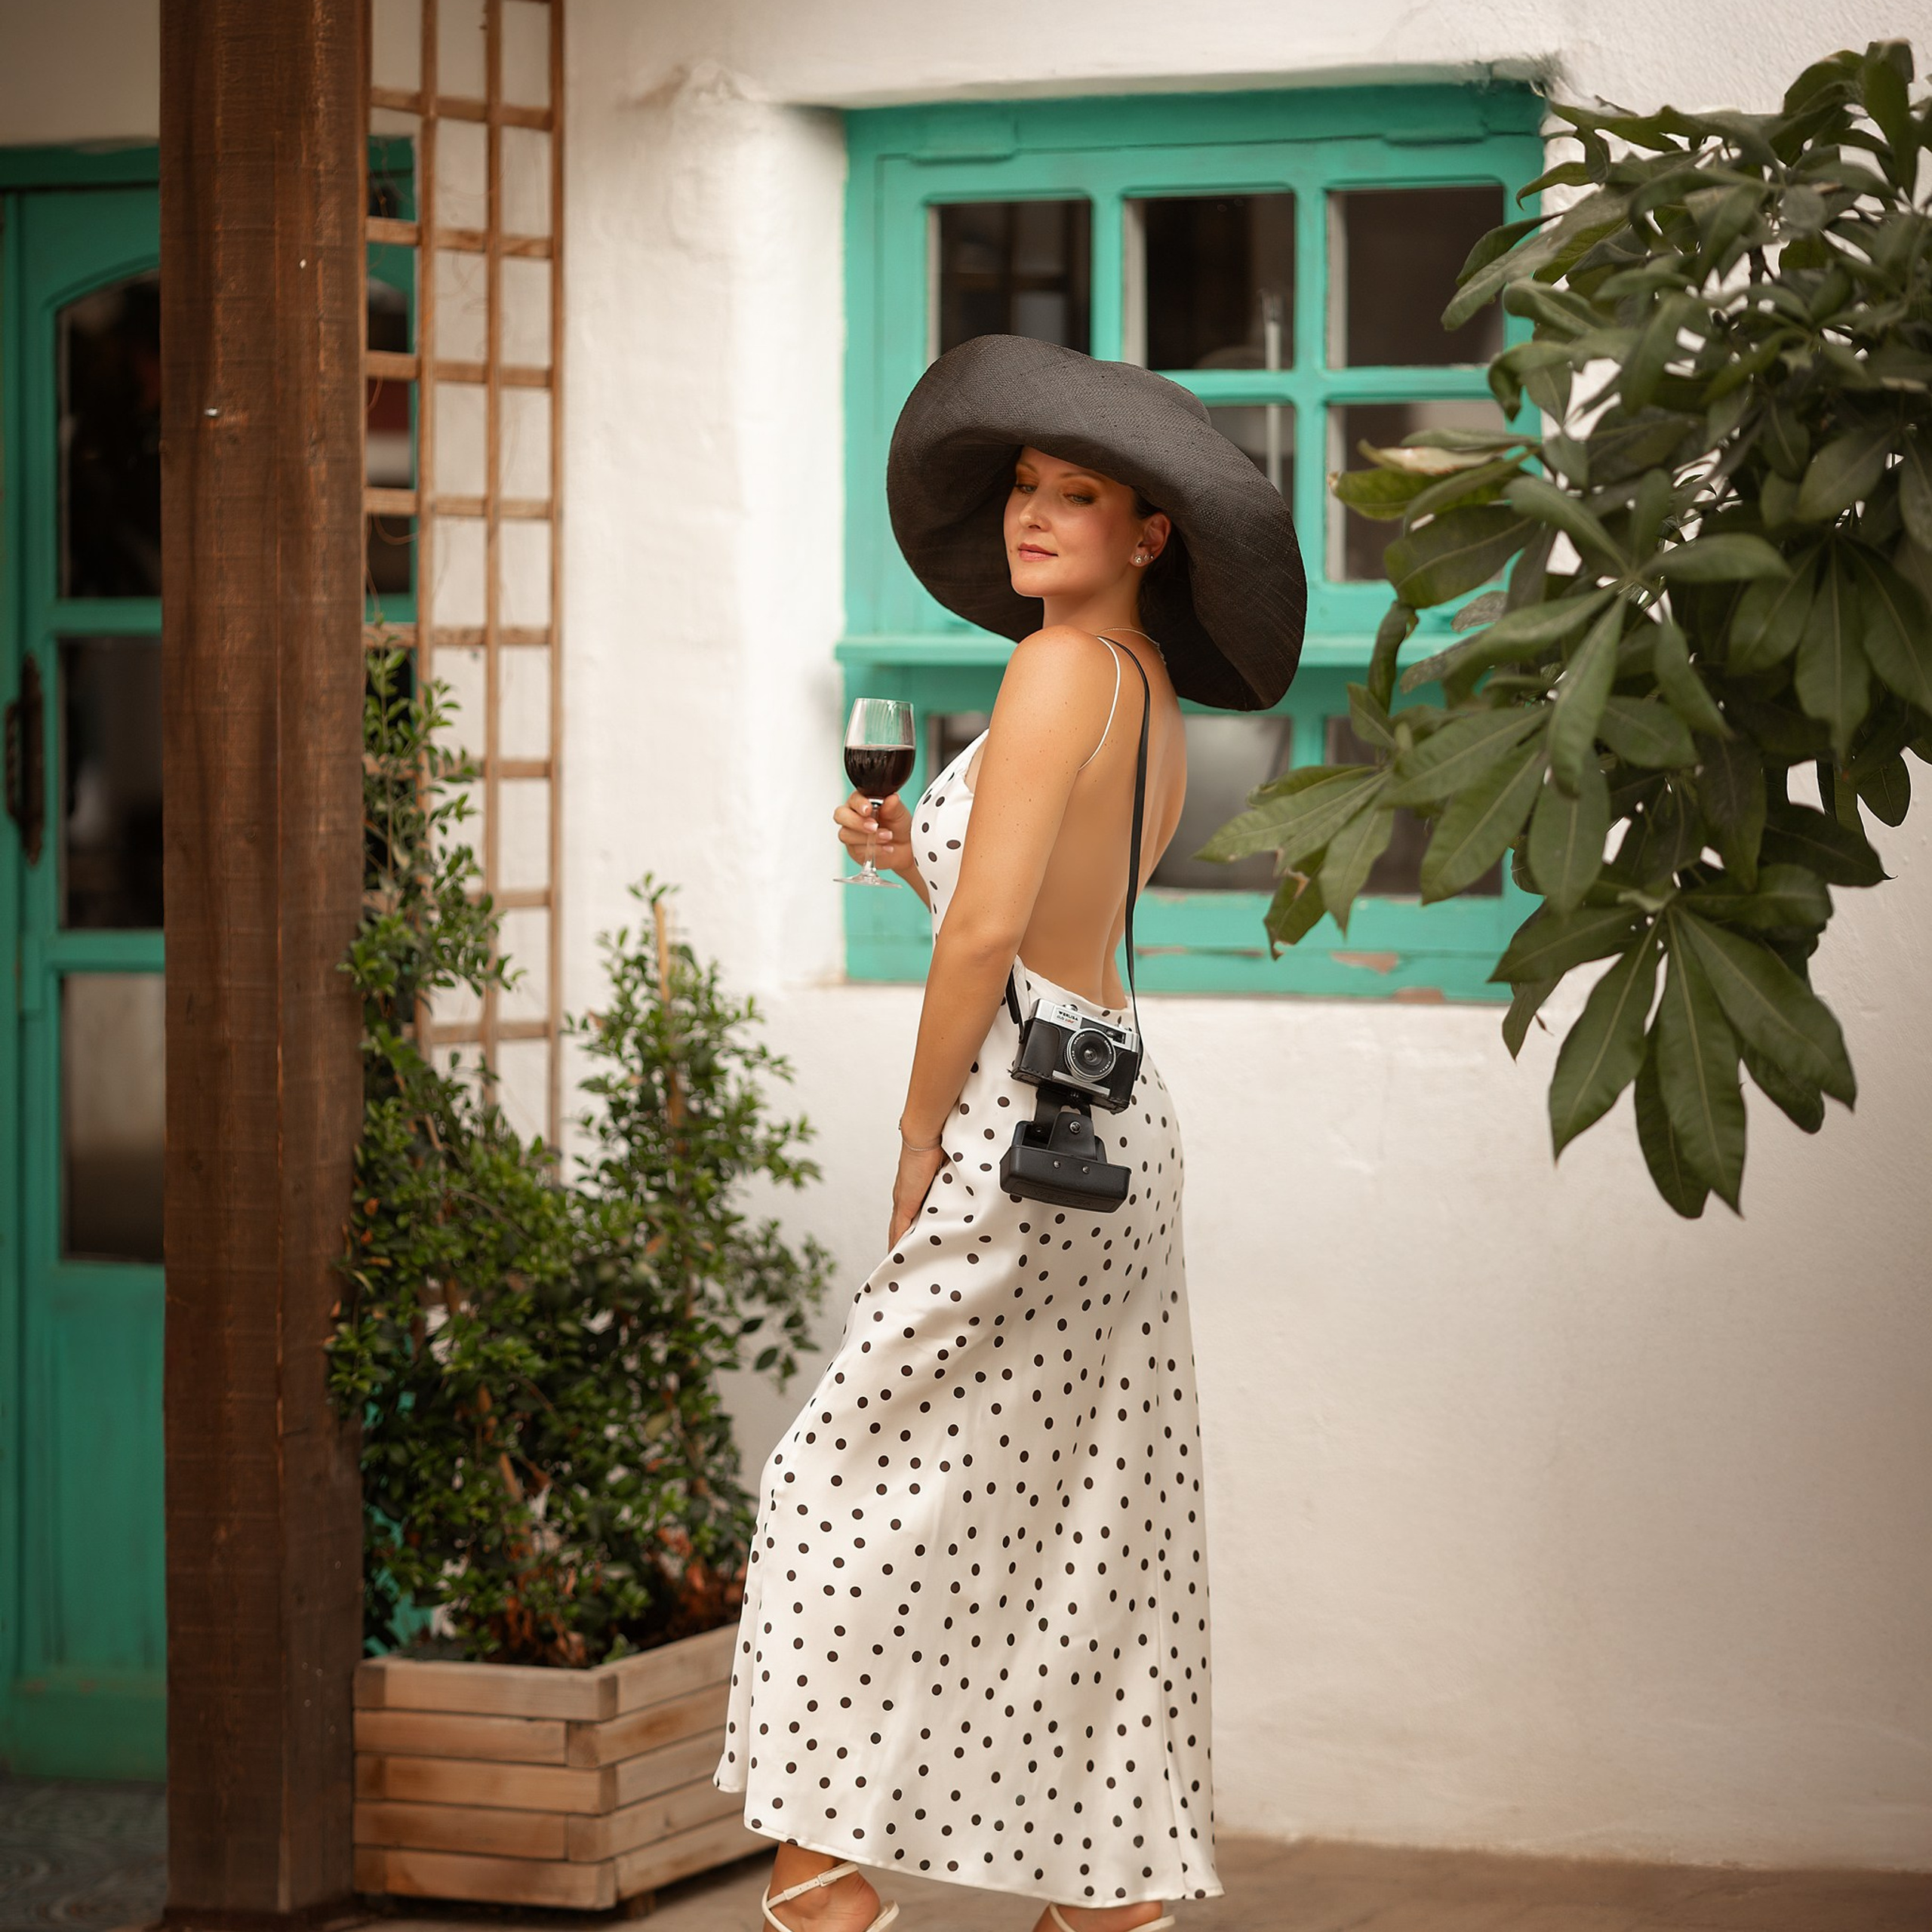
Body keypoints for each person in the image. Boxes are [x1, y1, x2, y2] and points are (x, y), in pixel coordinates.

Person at [714, 334, 1306, 1932]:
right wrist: (920, 851)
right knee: (1078, 1509)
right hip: (1118, 1120)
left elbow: (989, 945)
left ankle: (823, 1878)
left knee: (840, 1482)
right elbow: (1055, 918)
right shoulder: (1147, 688)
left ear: (1148, 532)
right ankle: (1100, 1897)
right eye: (1023, 492)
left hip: (1009, 1125)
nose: (1032, 517)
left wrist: (916, 1136)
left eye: (1077, 494)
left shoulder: (1051, 671)